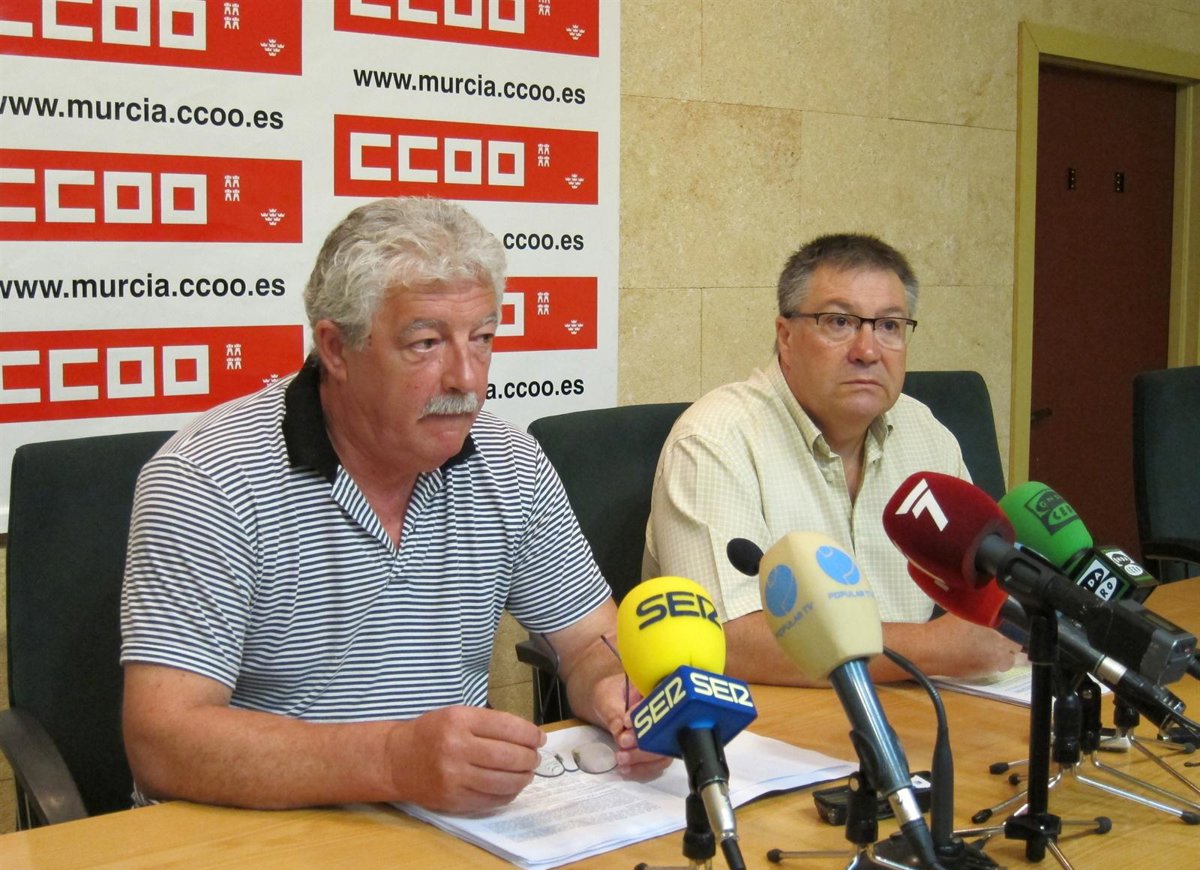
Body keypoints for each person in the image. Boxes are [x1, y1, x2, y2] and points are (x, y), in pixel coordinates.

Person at [120, 196, 666, 814]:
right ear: (335, 348)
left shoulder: (509, 463)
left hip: (450, 826)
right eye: (426, 343)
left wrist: (619, 694)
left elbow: (592, 643)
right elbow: (163, 742)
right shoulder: (210, 478)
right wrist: (390, 761)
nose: (466, 377)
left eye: (482, 338)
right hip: (254, 832)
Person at [643, 233, 1020, 686]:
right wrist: (934, 648)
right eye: (840, 322)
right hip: (773, 718)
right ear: (785, 337)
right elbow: (727, 641)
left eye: (890, 326)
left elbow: (982, 593)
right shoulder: (715, 440)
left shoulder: (925, 434)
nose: (868, 351)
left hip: (908, 703)